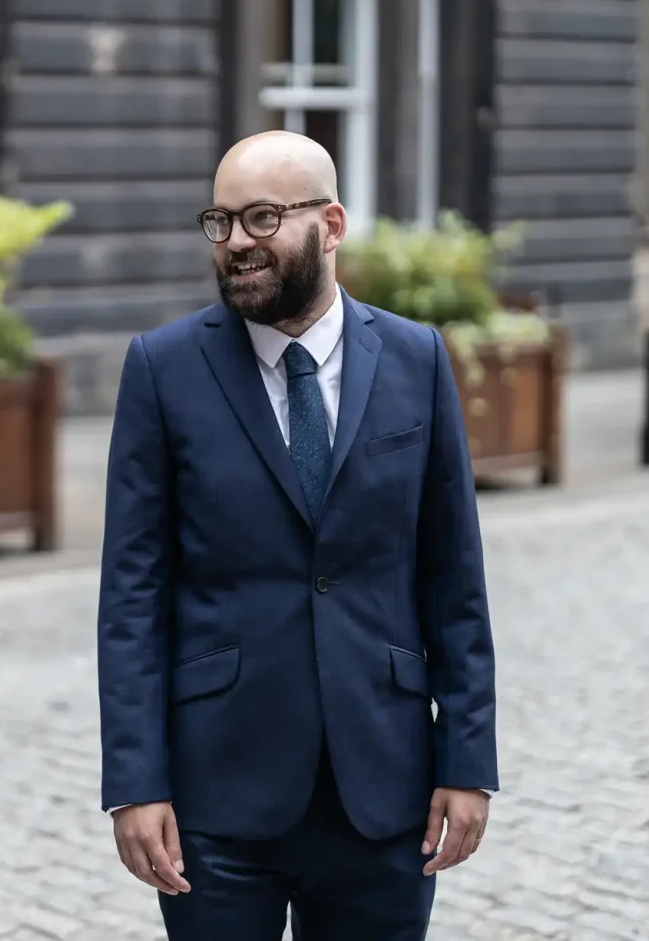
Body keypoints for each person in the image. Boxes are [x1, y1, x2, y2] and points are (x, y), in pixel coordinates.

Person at [95, 131, 498, 939]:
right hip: (217, 796)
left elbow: (453, 575)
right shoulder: (163, 369)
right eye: (221, 221)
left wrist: (468, 760)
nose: (236, 242)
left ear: (332, 224)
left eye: (263, 218)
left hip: (384, 789)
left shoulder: (416, 359)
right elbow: (132, 595)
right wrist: (135, 783)